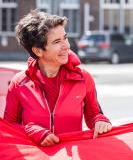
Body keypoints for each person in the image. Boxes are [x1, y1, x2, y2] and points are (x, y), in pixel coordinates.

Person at [4, 10, 112, 146]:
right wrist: (31, 130)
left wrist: (100, 120)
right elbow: (8, 128)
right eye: (57, 42)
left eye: (65, 37)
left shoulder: (83, 78)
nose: (66, 46)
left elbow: (93, 114)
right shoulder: (19, 83)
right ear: (38, 51)